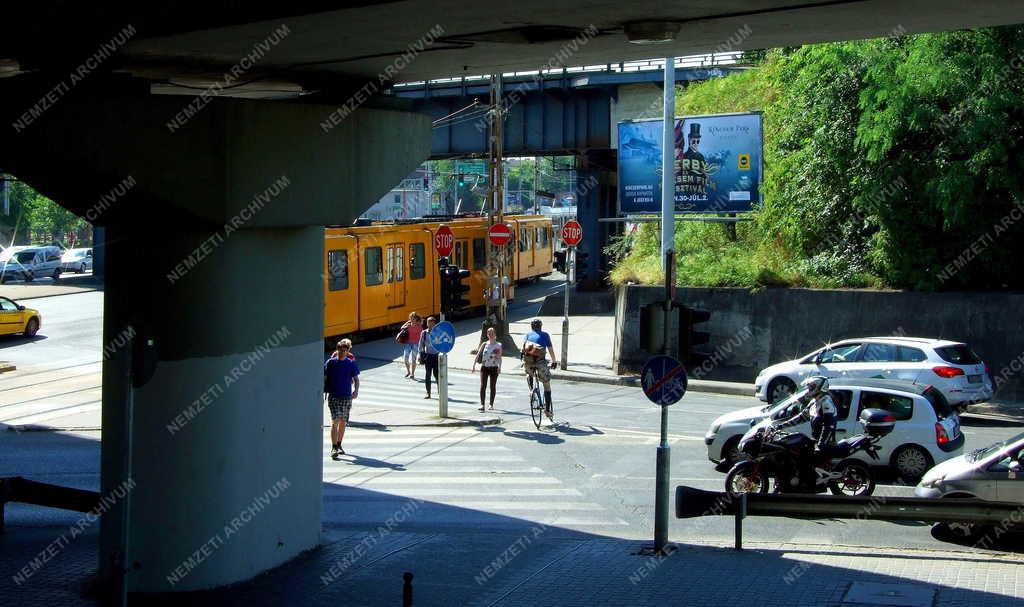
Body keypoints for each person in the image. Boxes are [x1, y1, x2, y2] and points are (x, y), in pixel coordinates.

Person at [775, 375, 837, 450]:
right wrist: (780, 426)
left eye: (811, 388)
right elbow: (801, 417)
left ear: (819, 388)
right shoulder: (815, 401)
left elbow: (829, 426)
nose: (808, 390)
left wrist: (821, 445)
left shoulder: (826, 403)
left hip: (826, 446)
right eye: (809, 387)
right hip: (816, 442)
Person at [324, 339, 360, 459]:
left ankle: (339, 444)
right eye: (340, 350)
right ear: (337, 349)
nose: (342, 352)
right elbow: (323, 377)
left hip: (346, 396)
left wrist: (356, 391)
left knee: (343, 421)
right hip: (333, 396)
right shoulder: (330, 363)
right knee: (335, 421)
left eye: (344, 350)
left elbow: (356, 379)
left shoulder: (350, 364)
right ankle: (334, 447)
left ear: (347, 351)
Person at [521, 319, 558, 419]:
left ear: (531, 327)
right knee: (547, 385)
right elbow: (550, 349)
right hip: (540, 364)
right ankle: (547, 410)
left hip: (528, 363)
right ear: (541, 326)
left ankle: (531, 390)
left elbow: (523, 349)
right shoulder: (545, 335)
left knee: (528, 373)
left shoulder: (527, 335)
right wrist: (554, 361)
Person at [472, 327, 502, 412]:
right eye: (489, 333)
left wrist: (500, 367)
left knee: (492, 386)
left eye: (492, 333)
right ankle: (482, 404)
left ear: (495, 334)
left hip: (494, 368)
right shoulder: (484, 344)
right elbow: (478, 355)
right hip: (484, 367)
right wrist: (474, 365)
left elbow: (500, 357)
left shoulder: (498, 345)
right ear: (487, 335)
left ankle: (491, 404)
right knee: (483, 386)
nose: (490, 335)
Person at [419, 316, 440, 399]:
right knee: (428, 375)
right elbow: (420, 344)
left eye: (431, 323)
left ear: (435, 324)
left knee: (436, 375)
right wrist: (420, 355)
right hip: (428, 356)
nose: (429, 325)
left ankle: (440, 391)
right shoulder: (424, 333)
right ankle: (428, 393)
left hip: (436, 356)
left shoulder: (438, 332)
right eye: (428, 323)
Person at [400, 312, 424, 379]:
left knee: (413, 360)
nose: (412, 320)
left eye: (413, 318)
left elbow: (421, 336)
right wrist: (407, 324)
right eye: (410, 318)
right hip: (408, 343)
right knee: (405, 359)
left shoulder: (419, 326)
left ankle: (412, 374)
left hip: (415, 344)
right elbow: (402, 328)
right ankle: (408, 372)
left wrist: (421, 346)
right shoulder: (408, 324)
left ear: (416, 319)